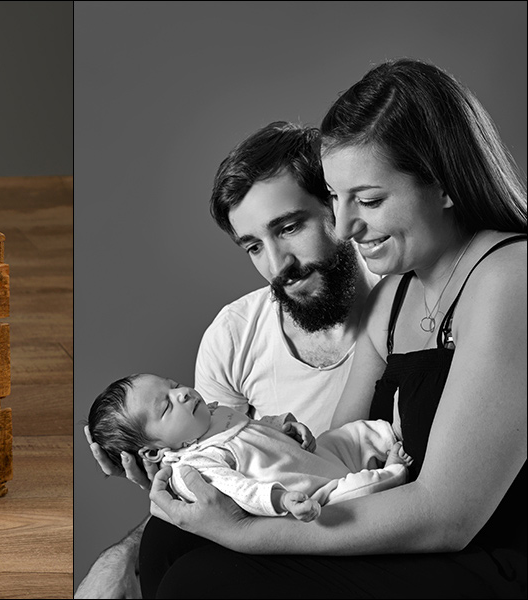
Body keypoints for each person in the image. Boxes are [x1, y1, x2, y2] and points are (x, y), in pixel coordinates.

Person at [145, 58, 526, 598]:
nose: (346, 226)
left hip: (484, 557)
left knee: (204, 579)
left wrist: (246, 532)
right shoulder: (395, 297)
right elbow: (329, 462)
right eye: (337, 198)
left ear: (444, 184)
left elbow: (448, 517)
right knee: (168, 541)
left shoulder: (510, 279)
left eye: (367, 200)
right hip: (407, 532)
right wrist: (200, 465)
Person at [77, 122, 379, 597]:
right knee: (160, 543)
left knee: (195, 580)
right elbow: (218, 464)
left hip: (365, 515)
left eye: (289, 227)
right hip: (289, 516)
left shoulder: (408, 312)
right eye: (255, 246)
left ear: (335, 206)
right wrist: (129, 545)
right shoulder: (234, 335)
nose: (278, 265)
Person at [88, 373, 411, 524]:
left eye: (173, 386)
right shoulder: (194, 467)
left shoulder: (213, 414)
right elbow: (241, 491)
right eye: (167, 406)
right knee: (354, 493)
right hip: (309, 491)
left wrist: (284, 424)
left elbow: (251, 424)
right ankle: (393, 472)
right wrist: (282, 499)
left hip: (314, 457)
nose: (183, 393)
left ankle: (392, 434)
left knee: (348, 436)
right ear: (154, 453)